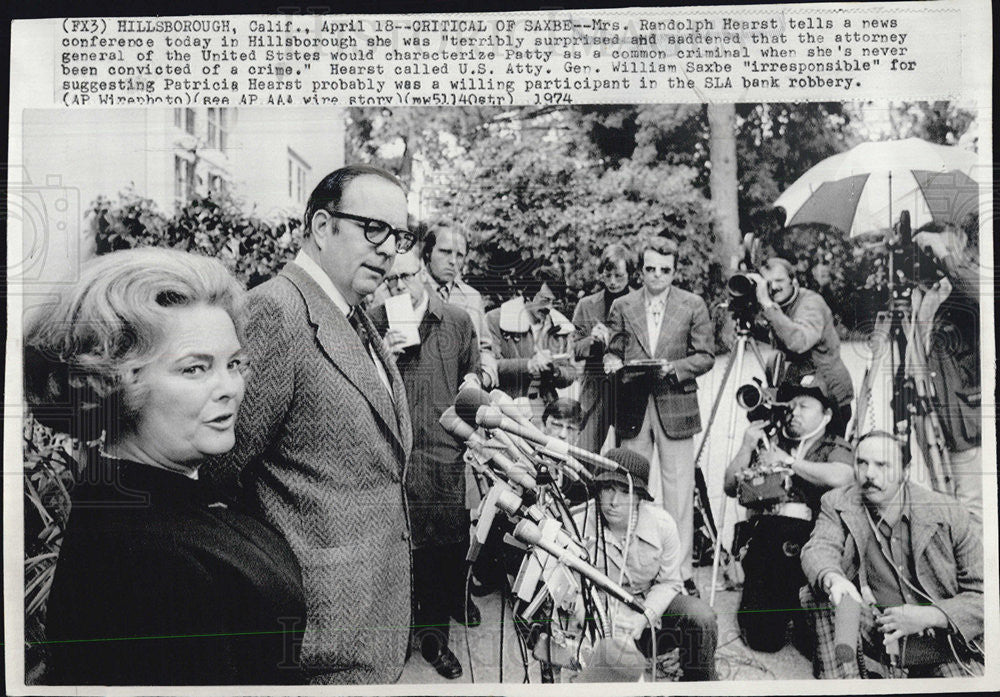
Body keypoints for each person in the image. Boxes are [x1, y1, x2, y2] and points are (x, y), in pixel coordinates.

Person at [24, 248, 305, 685]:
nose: (229, 387)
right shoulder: (145, 562)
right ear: (115, 384)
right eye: (195, 369)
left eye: (234, 364)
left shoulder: (166, 492)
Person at [203, 165, 415, 684]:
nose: (390, 249)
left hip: (369, 625)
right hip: (318, 643)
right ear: (322, 227)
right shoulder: (276, 310)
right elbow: (215, 472)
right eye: (374, 229)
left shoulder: (353, 311)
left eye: (399, 234)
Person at [370, 248, 481, 680]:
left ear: (423, 274)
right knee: (398, 554)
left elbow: (473, 371)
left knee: (440, 554)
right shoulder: (375, 321)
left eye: (406, 277)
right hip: (394, 456)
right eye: (390, 280)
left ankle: (436, 643)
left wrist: (474, 382)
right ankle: (396, 640)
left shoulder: (454, 319)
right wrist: (387, 359)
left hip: (440, 453)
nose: (398, 287)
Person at [800, 431, 984, 678]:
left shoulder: (949, 514)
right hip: (875, 627)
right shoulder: (837, 502)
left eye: (882, 465)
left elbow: (986, 597)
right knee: (819, 593)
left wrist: (930, 615)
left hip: (941, 639)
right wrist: (835, 579)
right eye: (862, 463)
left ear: (905, 471)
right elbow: (818, 548)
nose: (869, 474)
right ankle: (845, 684)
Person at [603, 236, 715, 595]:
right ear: (640, 269)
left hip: (675, 403)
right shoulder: (623, 305)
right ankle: (633, 565)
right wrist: (612, 362)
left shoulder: (693, 304)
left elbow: (706, 356)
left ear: (674, 270)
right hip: (634, 404)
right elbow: (614, 351)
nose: (657, 276)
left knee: (679, 491)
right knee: (630, 485)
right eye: (650, 269)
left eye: (664, 270)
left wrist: (675, 367)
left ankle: (680, 573)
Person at [723, 374, 854, 652]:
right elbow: (729, 486)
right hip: (767, 541)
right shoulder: (772, 440)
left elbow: (843, 476)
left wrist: (790, 463)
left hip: (811, 540)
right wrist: (747, 447)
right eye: (792, 406)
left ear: (827, 414)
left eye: (804, 406)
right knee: (762, 640)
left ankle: (799, 614)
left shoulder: (835, 445)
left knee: (813, 646)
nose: (794, 412)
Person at [574, 448, 718, 681]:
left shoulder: (663, 525)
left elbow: (669, 582)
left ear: (639, 496)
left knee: (701, 616)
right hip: (604, 612)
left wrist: (644, 618)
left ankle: (700, 685)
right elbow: (570, 587)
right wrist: (597, 620)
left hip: (651, 610)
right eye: (608, 489)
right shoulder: (578, 524)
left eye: (624, 492)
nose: (613, 502)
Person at [912, 226, 982, 524]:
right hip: (938, 423)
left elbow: (981, 293)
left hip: (968, 423)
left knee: (972, 509)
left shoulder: (971, 285)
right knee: (945, 504)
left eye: (930, 250)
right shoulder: (928, 293)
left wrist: (943, 253)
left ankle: (979, 570)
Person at [742, 257, 854, 436]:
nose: (774, 287)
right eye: (768, 283)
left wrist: (768, 306)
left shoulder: (810, 303)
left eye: (779, 281)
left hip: (828, 395)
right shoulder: (780, 305)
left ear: (793, 281)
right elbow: (773, 333)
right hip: (797, 392)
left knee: (823, 455)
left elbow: (799, 342)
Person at [571, 243, 634, 454]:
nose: (613, 282)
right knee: (584, 454)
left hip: (629, 390)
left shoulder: (639, 303)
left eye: (619, 276)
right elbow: (575, 348)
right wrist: (591, 340)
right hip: (596, 389)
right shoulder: (586, 305)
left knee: (627, 458)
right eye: (608, 276)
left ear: (630, 274)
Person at [486, 279, 576, 419]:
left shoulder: (559, 327)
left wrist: (556, 371)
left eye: (555, 302)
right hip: (506, 406)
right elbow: (489, 366)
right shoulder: (496, 319)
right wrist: (528, 364)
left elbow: (571, 373)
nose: (549, 308)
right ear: (529, 294)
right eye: (545, 300)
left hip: (543, 409)